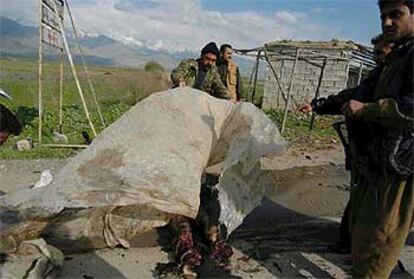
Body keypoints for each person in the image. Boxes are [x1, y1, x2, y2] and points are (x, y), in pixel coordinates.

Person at [301, 0, 413, 277]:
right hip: (379, 163)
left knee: (378, 244)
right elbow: (355, 95)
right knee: (364, 238)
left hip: (400, 167)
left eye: (396, 14)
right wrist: (318, 106)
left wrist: (368, 110)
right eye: (383, 16)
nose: (387, 22)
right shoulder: (397, 59)